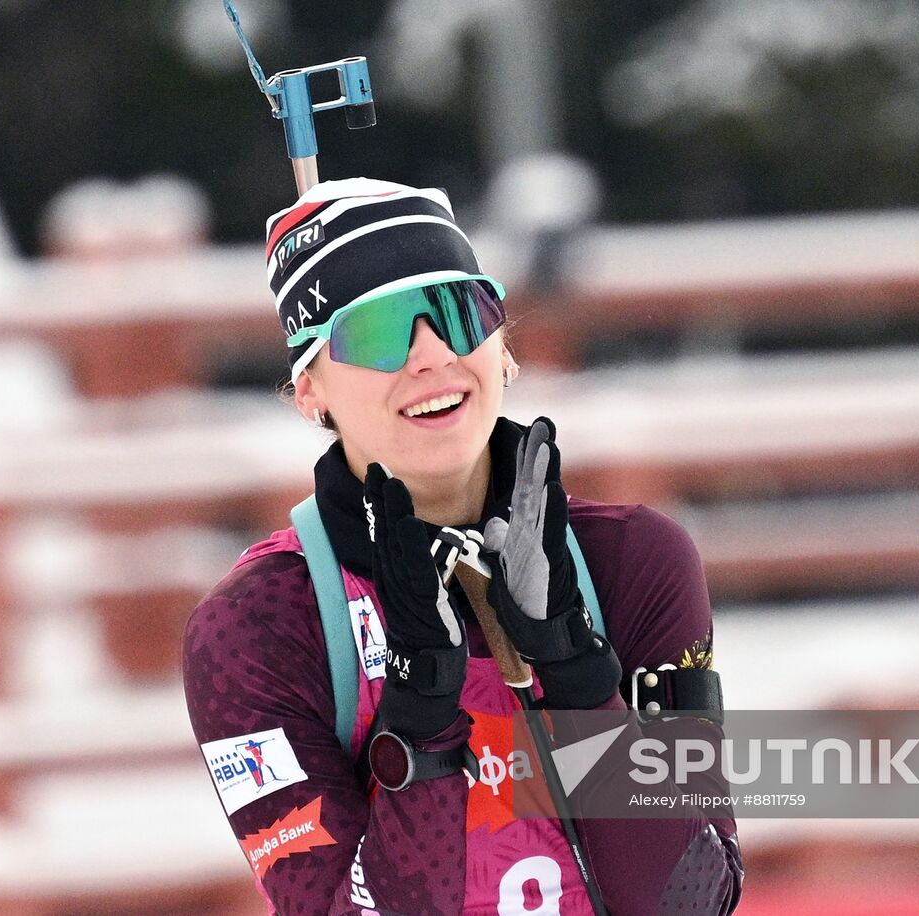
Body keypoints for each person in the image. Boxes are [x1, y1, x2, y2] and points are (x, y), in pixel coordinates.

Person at [183, 178, 743, 914]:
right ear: (309, 388)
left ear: (500, 345)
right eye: (378, 333)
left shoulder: (632, 562)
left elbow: (691, 902)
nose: (431, 357)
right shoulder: (259, 626)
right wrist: (422, 719)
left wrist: (577, 676)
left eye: (455, 310)